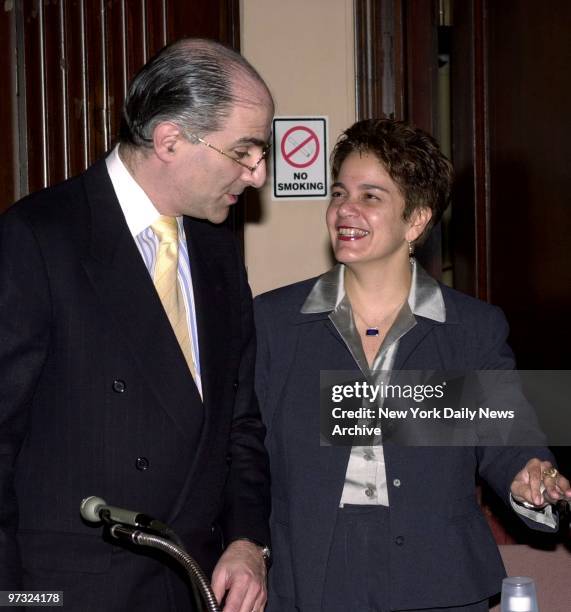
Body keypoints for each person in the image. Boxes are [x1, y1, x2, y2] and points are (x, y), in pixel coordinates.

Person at [0, 39, 273, 612]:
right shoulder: (38, 238)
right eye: (244, 152)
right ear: (171, 139)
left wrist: (248, 541)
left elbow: (239, 425)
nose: (257, 175)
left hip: (190, 587)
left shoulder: (220, 253)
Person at [254, 118, 571, 611]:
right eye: (339, 193)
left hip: (436, 576)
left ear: (417, 220)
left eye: (371, 196)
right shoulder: (274, 321)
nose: (345, 210)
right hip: (309, 573)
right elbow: (244, 452)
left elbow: (504, 433)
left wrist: (529, 474)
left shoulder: (471, 328)